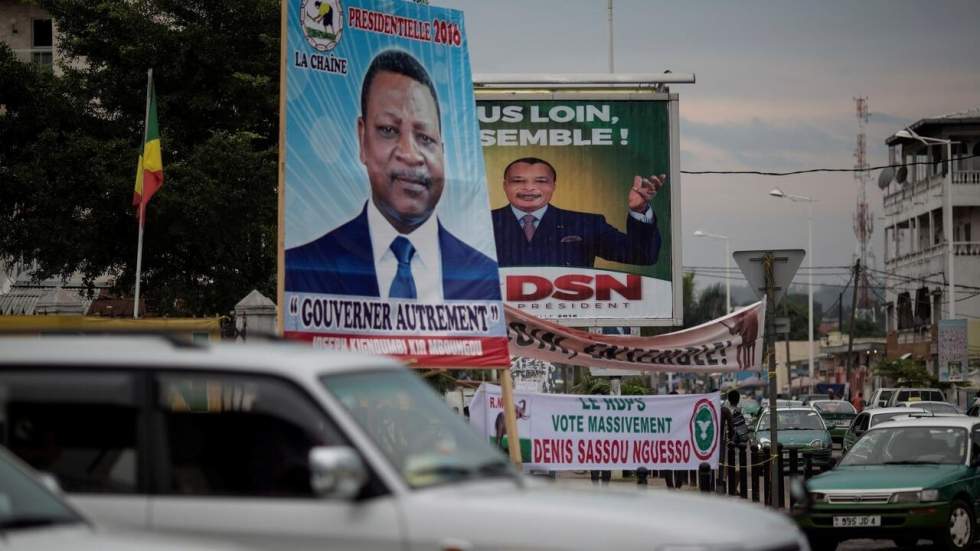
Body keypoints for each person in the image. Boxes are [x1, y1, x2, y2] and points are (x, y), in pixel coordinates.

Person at [285, 49, 499, 301]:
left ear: (442, 151)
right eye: (388, 130)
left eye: (425, 137)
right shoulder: (305, 269)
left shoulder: (481, 275)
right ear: (362, 139)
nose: (410, 154)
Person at [490, 157, 663, 268]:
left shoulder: (586, 224)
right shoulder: (479, 223)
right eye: (518, 181)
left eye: (541, 181)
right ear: (505, 186)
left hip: (568, 318)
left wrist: (639, 210)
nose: (528, 188)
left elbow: (643, 255)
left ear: (553, 186)